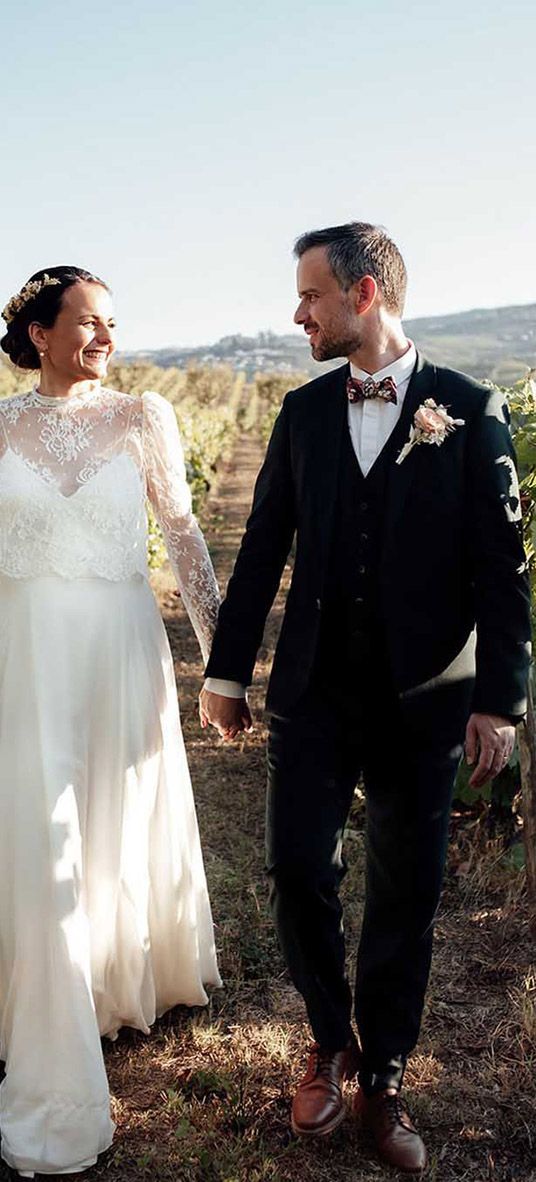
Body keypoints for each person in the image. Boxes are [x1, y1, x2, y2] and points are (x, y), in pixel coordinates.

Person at [200, 223, 531, 1173]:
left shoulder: (469, 409)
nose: (296, 312)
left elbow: (502, 576)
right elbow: (260, 548)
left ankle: (383, 1075)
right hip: (312, 690)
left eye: (309, 295)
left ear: (365, 295)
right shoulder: (302, 415)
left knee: (407, 889)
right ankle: (326, 1040)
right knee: (297, 868)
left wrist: (500, 701)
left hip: (426, 699)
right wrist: (228, 675)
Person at [0, 266, 222, 1177]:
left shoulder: (144, 417)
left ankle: (109, 970)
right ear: (40, 333)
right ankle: (43, 998)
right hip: (23, 653)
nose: (106, 340)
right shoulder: (0, 426)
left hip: (119, 651)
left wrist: (225, 663)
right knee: (33, 815)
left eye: (114, 325)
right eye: (89, 323)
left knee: (106, 812)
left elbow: (184, 532)